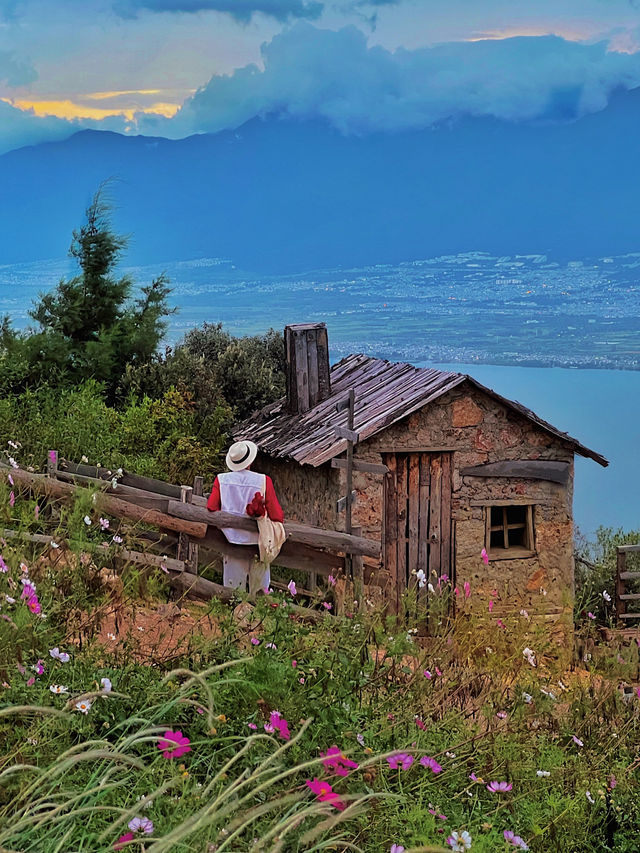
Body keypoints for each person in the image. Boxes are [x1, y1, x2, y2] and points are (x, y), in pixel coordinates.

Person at [207, 440, 284, 593]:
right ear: (251, 460)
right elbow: (277, 515)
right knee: (260, 592)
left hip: (231, 542)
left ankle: (235, 615)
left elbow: (211, 507)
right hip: (258, 544)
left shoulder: (221, 480)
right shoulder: (263, 481)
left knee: (233, 591)